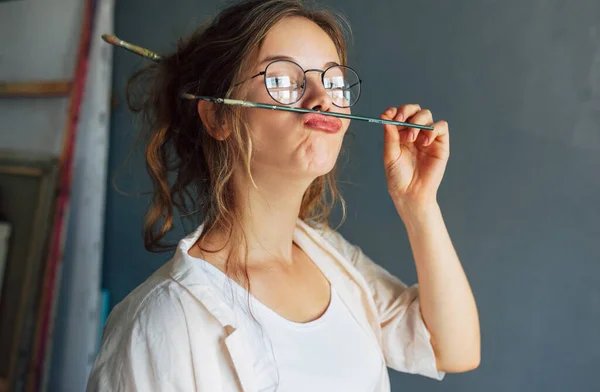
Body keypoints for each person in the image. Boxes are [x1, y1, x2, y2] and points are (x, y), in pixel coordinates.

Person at [87, 0, 480, 391]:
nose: (322, 98)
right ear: (218, 116)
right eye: (282, 80)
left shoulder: (333, 260)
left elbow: (453, 350)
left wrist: (419, 205)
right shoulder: (159, 321)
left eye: (334, 81)